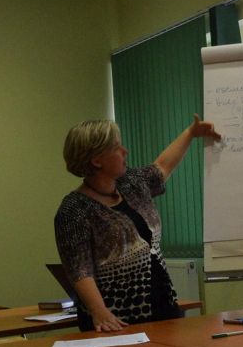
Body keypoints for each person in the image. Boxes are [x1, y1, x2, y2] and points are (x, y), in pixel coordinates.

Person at [55, 115, 221, 332]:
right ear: (97, 160)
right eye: (117, 147)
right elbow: (80, 270)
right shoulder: (74, 210)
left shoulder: (131, 184)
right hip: (116, 320)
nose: (125, 151)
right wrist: (100, 312)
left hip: (162, 306)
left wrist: (191, 133)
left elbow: (162, 166)